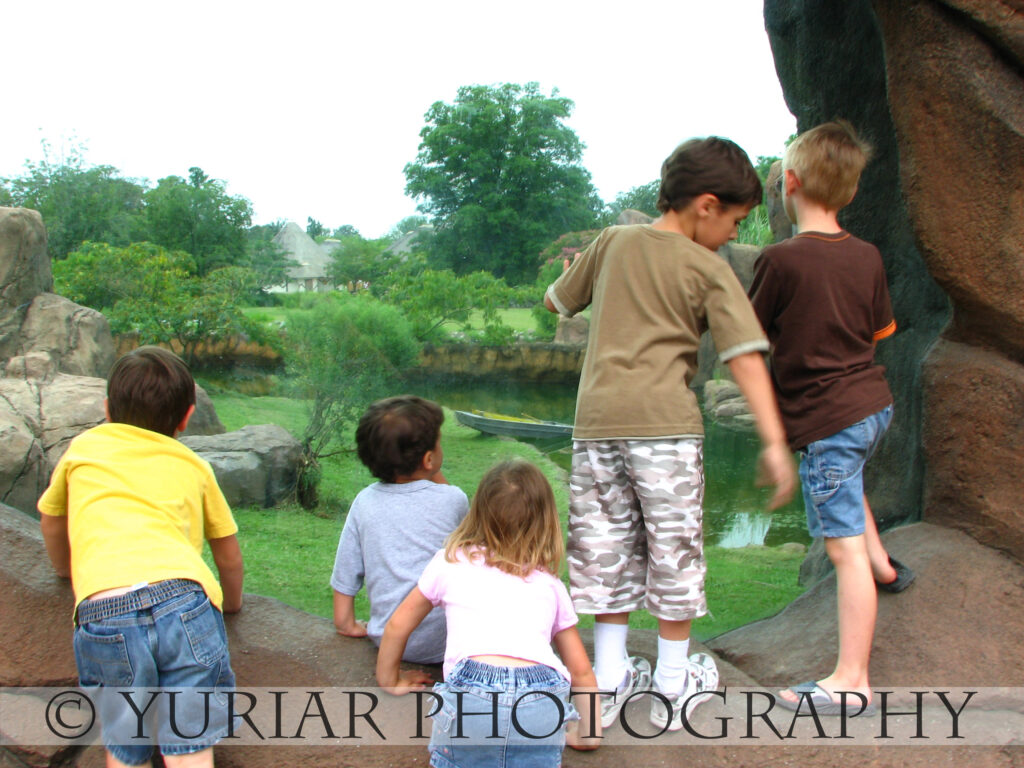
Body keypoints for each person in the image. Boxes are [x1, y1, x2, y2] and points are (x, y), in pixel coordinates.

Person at [544, 137, 796, 732]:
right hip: (666, 434)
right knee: (673, 552)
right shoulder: (708, 267)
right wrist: (775, 440)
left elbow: (559, 302)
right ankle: (674, 686)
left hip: (596, 427)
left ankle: (606, 679)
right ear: (706, 205)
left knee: (604, 548)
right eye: (735, 220)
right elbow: (745, 359)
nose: (735, 234)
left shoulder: (611, 241)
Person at [748, 120, 915, 716]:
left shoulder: (780, 260)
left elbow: (749, 335)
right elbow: (879, 332)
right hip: (874, 407)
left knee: (839, 550)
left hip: (828, 422)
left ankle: (851, 679)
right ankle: (883, 566)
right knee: (853, 482)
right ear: (849, 192)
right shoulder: (866, 255)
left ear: (788, 183)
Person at [38, 346, 243, 768]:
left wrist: (64, 569)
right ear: (187, 417)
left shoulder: (82, 449)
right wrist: (232, 604)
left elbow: (51, 519)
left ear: (107, 409)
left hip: (105, 610)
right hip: (185, 602)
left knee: (124, 743)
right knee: (190, 743)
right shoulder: (194, 465)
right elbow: (228, 554)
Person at [376, 459, 601, 766]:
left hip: (473, 691)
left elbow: (397, 625)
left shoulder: (450, 561)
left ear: (478, 511)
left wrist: (390, 680)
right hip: (540, 699)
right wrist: (589, 735)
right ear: (545, 523)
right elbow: (581, 672)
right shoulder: (550, 584)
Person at [331, 395, 468, 664]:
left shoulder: (364, 502)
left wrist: (346, 623)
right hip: (451, 641)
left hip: (391, 641)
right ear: (429, 459)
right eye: (440, 443)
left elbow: (347, 568)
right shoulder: (454, 500)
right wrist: (430, 469)